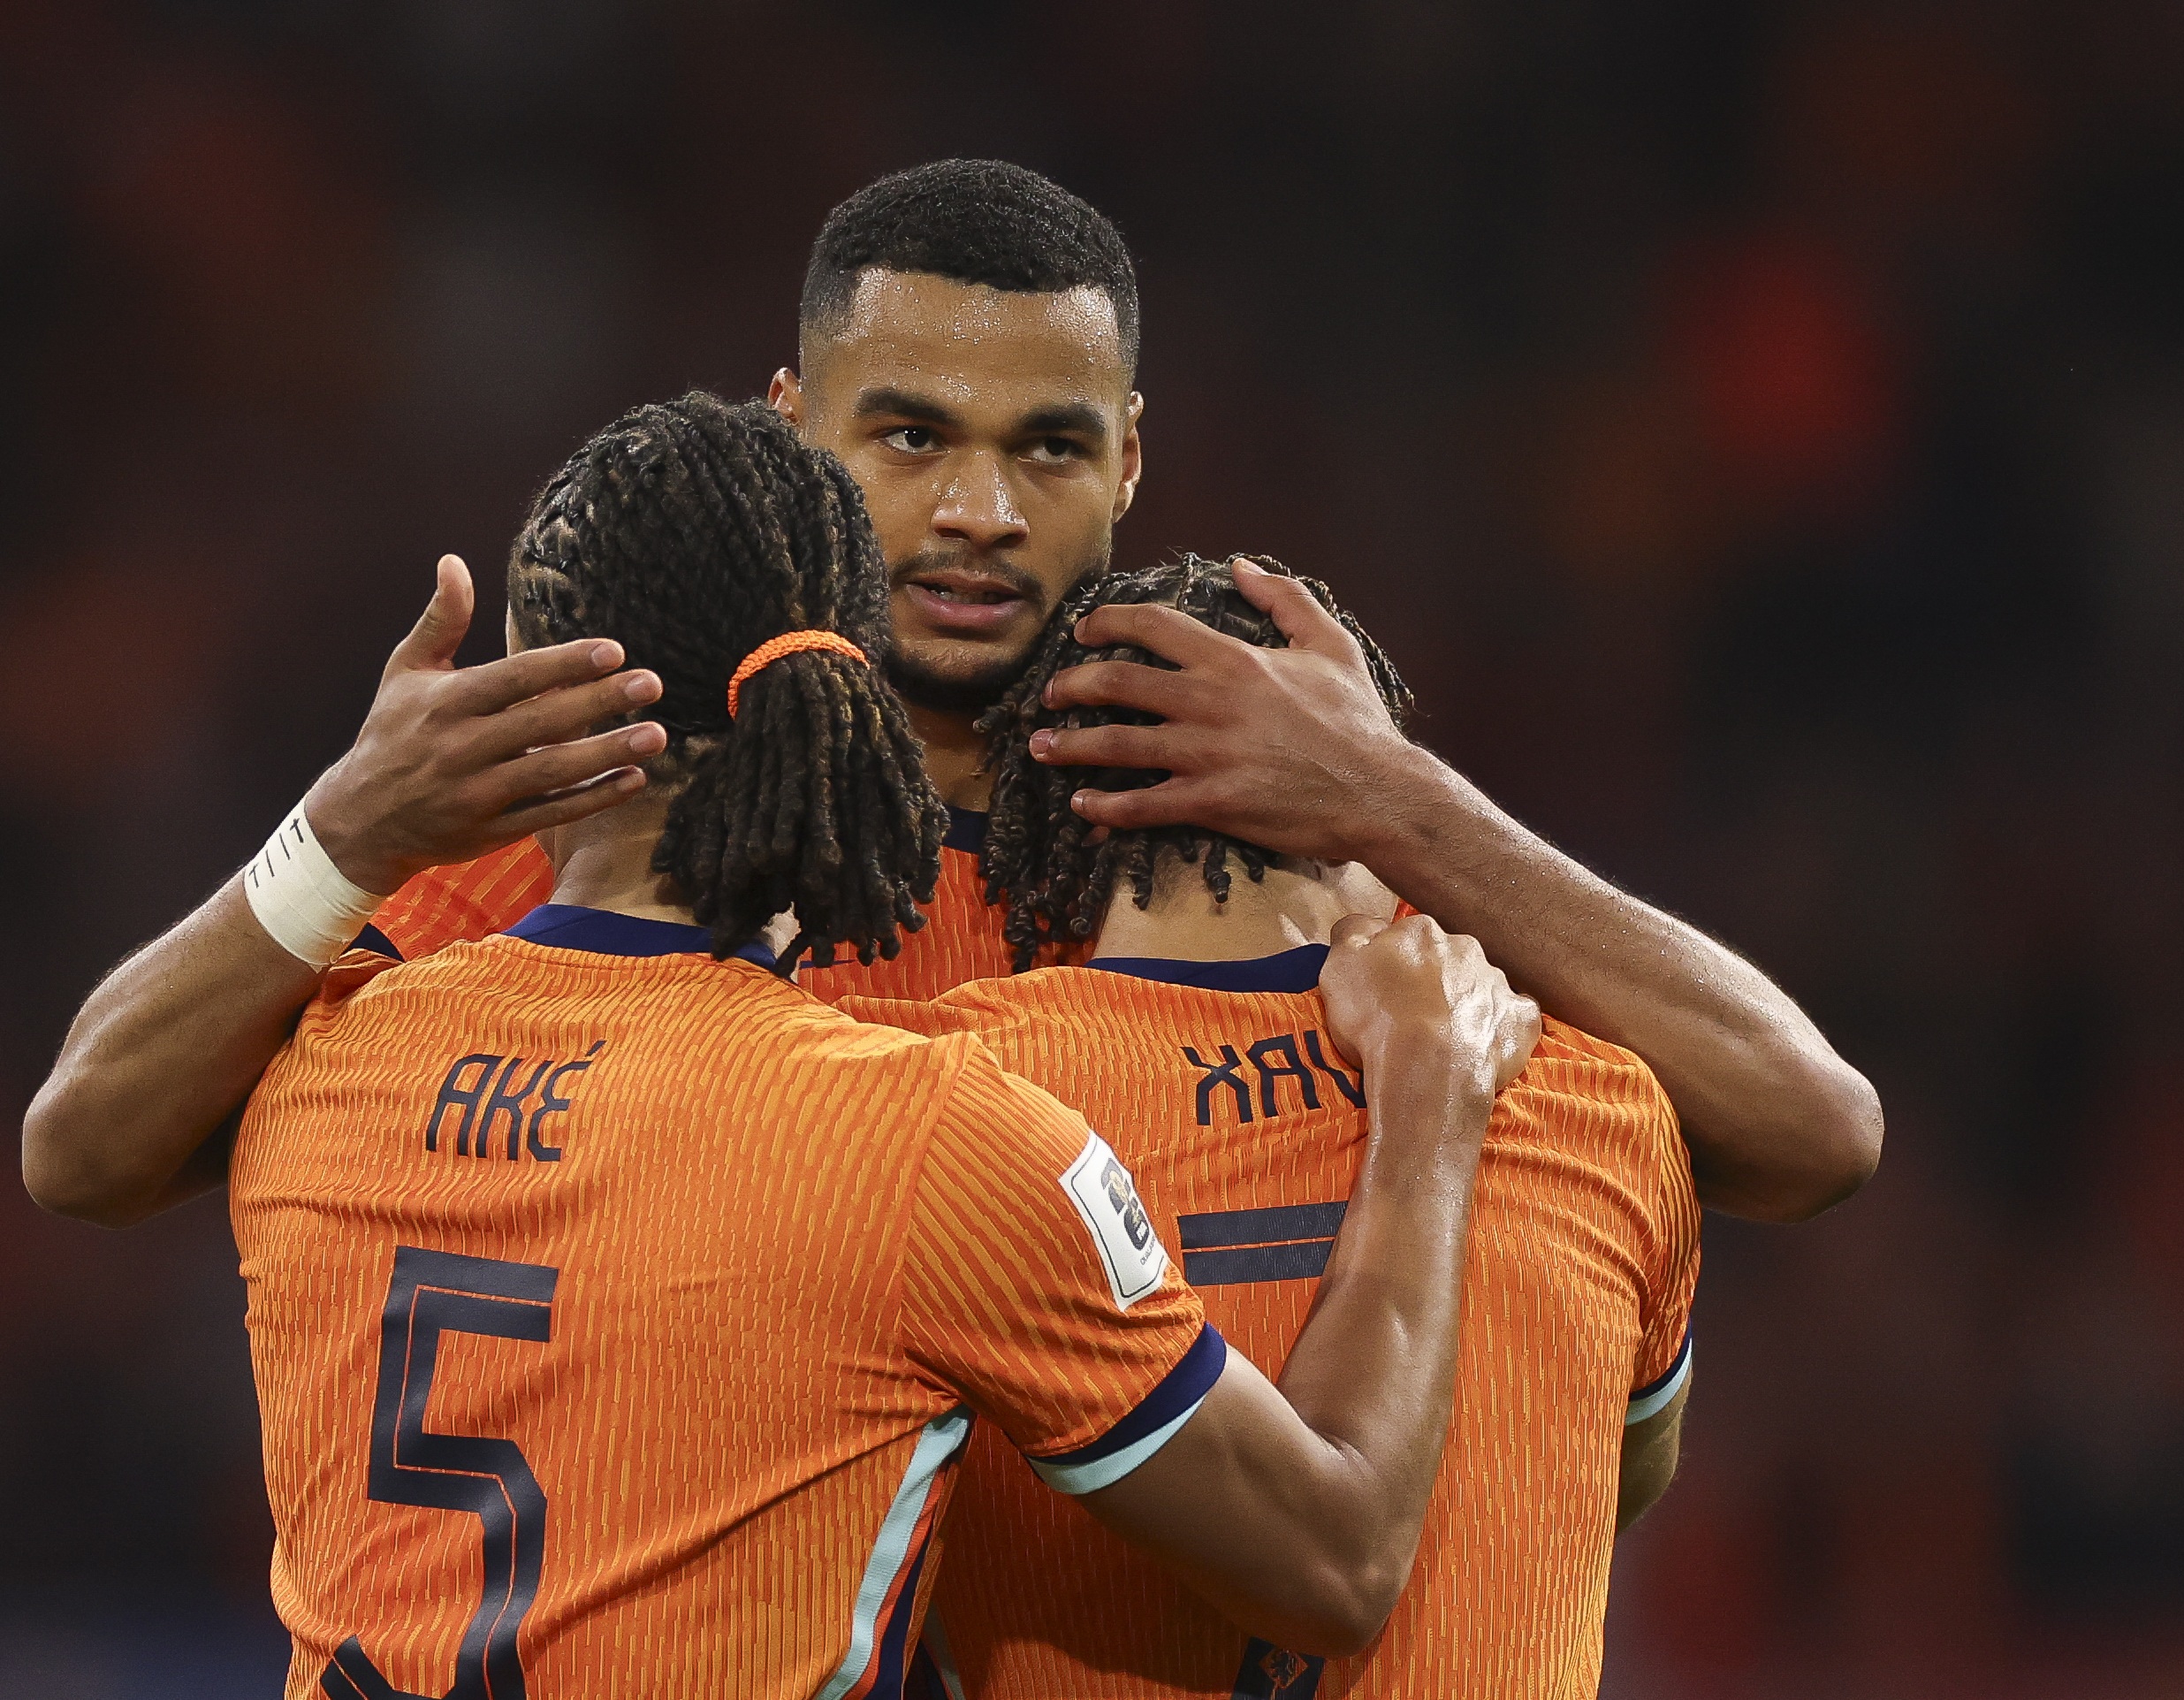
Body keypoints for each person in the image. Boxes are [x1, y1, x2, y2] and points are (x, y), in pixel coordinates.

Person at [26, 159, 1879, 1233]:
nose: (980, 511)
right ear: (791, 426)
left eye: (1049, 446)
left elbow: (1811, 1125)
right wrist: (332, 842)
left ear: (1135, 462)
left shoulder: (1239, 833)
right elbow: (86, 1152)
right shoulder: (614, 819)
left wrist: (1403, 804)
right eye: (908, 435)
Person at [236, 395, 1542, 1692]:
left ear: (529, 694)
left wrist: (341, 836)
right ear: (849, 691)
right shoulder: (935, 1138)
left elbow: (75, 1147)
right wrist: (1426, 1105)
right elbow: (1335, 1562)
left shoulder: (317, 1059)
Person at [841, 556, 1697, 1700]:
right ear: (1366, 805)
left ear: (1058, 824)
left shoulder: (934, 1105)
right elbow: (1617, 1483)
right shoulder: (1603, 1104)